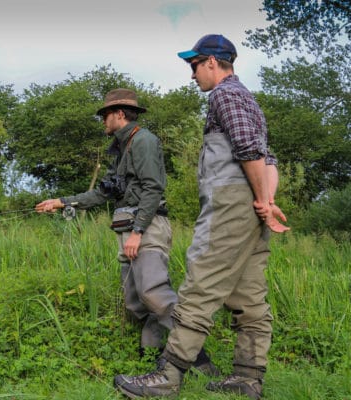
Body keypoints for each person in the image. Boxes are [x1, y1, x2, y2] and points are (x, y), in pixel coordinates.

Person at [113, 34, 289, 400]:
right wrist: (267, 202)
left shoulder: (226, 95)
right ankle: (247, 378)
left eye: (194, 65)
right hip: (251, 207)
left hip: (230, 205)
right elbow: (267, 159)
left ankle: (169, 375)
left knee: (199, 282)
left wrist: (259, 199)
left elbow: (247, 149)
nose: (191, 74)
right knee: (249, 295)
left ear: (212, 62)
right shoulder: (250, 101)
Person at [35, 88, 216, 372]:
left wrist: (138, 231)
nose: (102, 121)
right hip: (128, 230)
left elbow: (153, 188)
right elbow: (104, 193)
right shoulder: (120, 149)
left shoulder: (143, 140)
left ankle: (200, 360)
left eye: (105, 115)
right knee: (135, 302)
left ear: (120, 114)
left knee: (155, 294)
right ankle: (151, 357)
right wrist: (61, 202)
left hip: (146, 228)